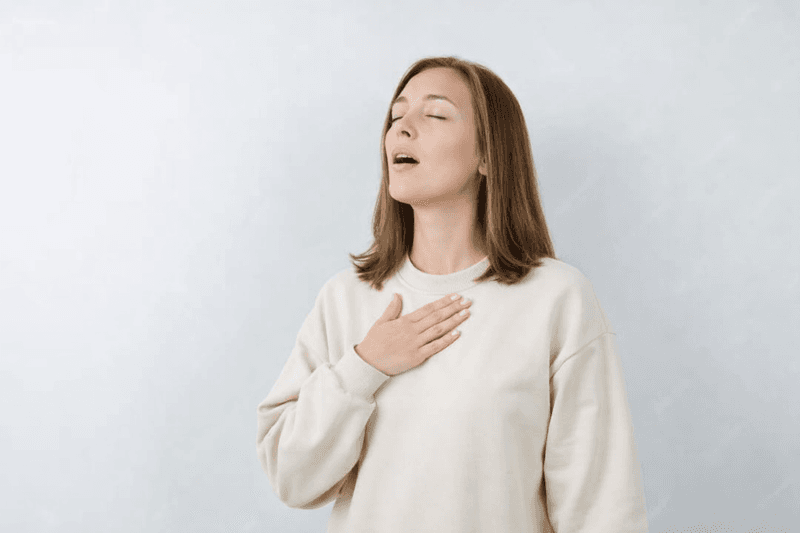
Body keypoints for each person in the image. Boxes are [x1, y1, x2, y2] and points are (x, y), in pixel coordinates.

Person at [257, 56, 649, 533]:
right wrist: (365, 366)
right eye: (396, 117)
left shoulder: (555, 299)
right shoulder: (345, 300)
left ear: (488, 156)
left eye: (435, 114)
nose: (402, 129)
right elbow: (292, 478)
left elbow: (601, 504)